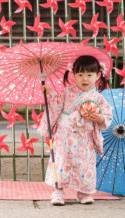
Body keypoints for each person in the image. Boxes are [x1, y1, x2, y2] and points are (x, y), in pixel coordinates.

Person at [38, 55, 113, 206]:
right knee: (61, 161)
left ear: (98, 75)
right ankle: (58, 191)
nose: (84, 79)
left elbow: (106, 116)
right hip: (64, 136)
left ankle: (83, 192)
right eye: (80, 75)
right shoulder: (66, 92)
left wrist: (99, 119)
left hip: (85, 137)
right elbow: (55, 104)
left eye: (89, 75)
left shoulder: (98, 98)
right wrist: (48, 93)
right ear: (73, 75)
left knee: (85, 163)